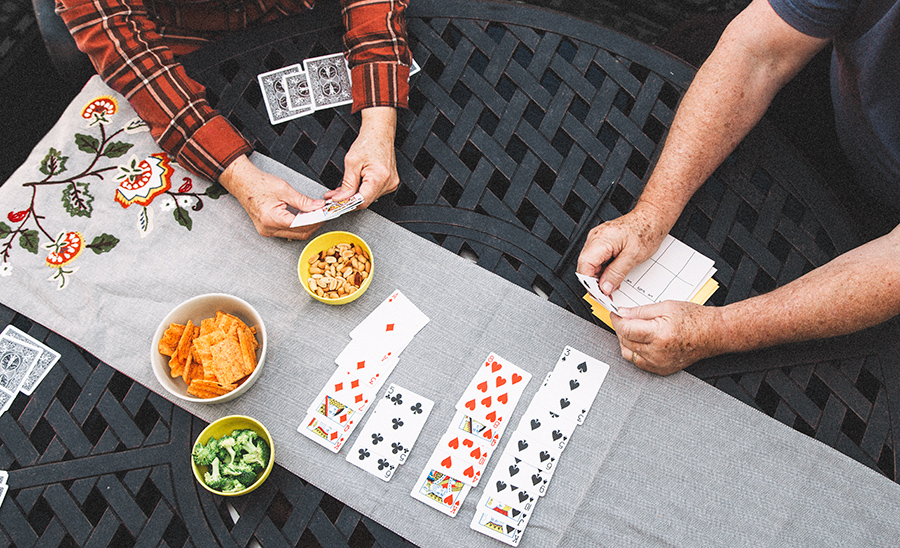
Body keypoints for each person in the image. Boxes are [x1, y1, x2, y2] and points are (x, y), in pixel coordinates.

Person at [577, 0, 900, 375]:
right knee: (692, 45)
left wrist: (716, 330)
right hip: (849, 110)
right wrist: (651, 213)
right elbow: (757, 53)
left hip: (879, 216)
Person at [56, 0, 410, 239]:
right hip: (187, 54)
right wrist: (237, 176)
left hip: (304, 14)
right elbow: (130, 55)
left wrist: (379, 124)